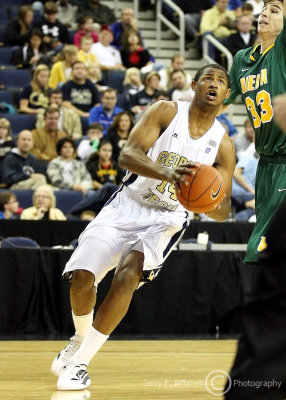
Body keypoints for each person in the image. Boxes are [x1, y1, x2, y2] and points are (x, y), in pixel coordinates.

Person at [51, 63, 236, 390]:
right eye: (207, 77)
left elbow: (223, 210)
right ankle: (80, 339)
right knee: (81, 279)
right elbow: (128, 154)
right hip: (127, 204)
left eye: (221, 81)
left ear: (226, 95)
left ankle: (80, 364)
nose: (213, 83)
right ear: (194, 85)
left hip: (167, 218)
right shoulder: (166, 111)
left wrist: (207, 200)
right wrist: (169, 174)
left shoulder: (222, 144)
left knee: (128, 274)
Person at [221, 0, 286, 267]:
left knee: (263, 245)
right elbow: (221, 103)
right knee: (264, 240)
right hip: (265, 165)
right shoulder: (241, 59)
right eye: (263, 9)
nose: (264, 14)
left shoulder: (281, 51)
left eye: (274, 10)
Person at [0, 118, 16, 183]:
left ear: (8, 130)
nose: (1, 131)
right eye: (0, 128)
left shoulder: (12, 143)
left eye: (4, 129)